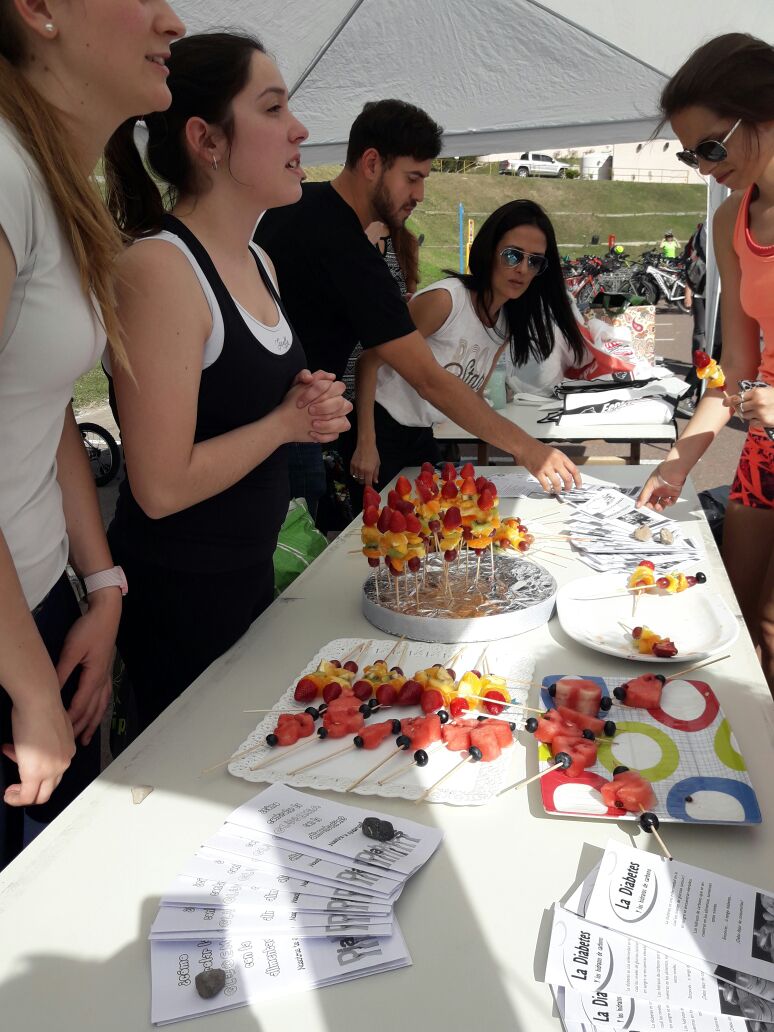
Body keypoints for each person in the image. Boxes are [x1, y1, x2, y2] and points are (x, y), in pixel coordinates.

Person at [103, 32, 351, 732]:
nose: (299, 129)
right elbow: (160, 486)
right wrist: (284, 425)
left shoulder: (259, 262)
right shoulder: (159, 270)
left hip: (250, 575)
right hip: (182, 601)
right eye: (273, 109)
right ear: (206, 139)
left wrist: (313, 407)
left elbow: (258, 404)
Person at [0, 0, 186, 866]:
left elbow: (46, 417)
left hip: (38, 610)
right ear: (37, 12)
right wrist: (29, 683)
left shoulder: (51, 178)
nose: (174, 20)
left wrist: (102, 584)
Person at [256, 99, 581, 497]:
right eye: (412, 178)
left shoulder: (296, 205)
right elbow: (429, 379)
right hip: (280, 433)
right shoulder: (350, 253)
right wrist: (530, 450)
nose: (421, 194)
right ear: (372, 163)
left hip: (263, 417)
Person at [637, 32, 774, 692]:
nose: (702, 167)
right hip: (767, 449)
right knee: (746, 626)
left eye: (712, 148)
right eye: (690, 153)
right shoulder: (730, 223)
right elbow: (735, 371)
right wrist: (678, 460)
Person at [350, 200, 587, 489]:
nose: (522, 269)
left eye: (534, 261)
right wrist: (366, 442)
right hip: (378, 426)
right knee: (383, 526)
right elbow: (369, 361)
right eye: (512, 255)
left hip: (421, 433)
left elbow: (469, 396)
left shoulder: (505, 323)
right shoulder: (446, 301)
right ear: (489, 251)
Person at [677, 222, 708, 416]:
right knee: (705, 347)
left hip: (712, 296)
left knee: (711, 349)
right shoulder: (704, 230)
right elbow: (692, 264)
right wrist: (688, 293)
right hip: (702, 295)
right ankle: (688, 394)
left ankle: (693, 394)